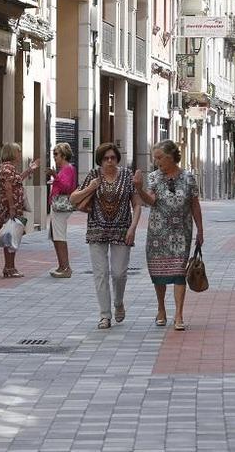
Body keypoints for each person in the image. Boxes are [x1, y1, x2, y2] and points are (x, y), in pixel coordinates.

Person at [70, 143, 142, 329]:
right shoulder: (94, 175)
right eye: (105, 158)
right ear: (100, 160)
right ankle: (104, 315)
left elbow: (137, 205)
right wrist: (90, 188)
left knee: (119, 273)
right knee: (100, 274)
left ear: (117, 158)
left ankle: (118, 302)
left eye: (112, 158)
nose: (109, 161)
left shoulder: (126, 175)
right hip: (97, 229)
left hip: (122, 229)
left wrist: (133, 228)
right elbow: (73, 198)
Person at [133, 140, 203, 330]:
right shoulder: (155, 177)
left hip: (181, 232)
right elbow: (150, 201)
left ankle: (179, 314)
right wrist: (139, 189)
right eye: (154, 158)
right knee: (159, 272)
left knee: (179, 273)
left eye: (159, 158)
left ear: (171, 157)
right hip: (158, 232)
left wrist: (200, 230)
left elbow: (194, 204)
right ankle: (161, 308)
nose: (156, 162)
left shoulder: (188, 178)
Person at [0, 143, 40, 278]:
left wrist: (30, 170)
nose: (20, 154)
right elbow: (8, 188)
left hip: (14, 207)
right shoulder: (7, 168)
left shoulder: (9, 168)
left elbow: (17, 181)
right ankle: (10, 267)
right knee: (12, 236)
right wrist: (11, 208)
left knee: (11, 236)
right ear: (11, 152)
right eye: (18, 151)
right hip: (12, 208)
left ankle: (9, 266)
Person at [46, 143, 77, 278]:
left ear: (64, 155)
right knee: (55, 236)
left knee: (59, 236)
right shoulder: (64, 169)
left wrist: (55, 176)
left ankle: (66, 267)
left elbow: (67, 187)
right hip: (56, 206)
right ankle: (62, 265)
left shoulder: (68, 169)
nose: (54, 157)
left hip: (61, 207)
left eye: (56, 154)